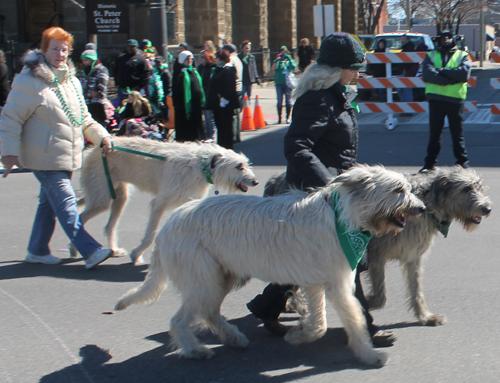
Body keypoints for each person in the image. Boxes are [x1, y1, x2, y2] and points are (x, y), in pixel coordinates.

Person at [246, 32, 396, 348]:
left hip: (337, 193)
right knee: (346, 261)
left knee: (307, 258)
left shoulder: (335, 95)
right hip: (319, 195)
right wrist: (330, 185)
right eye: (354, 67)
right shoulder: (319, 98)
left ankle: (267, 305)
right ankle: (363, 331)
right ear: (335, 69)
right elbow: (297, 147)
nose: (358, 73)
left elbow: (339, 150)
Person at [0, 27, 113, 269]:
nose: (60, 54)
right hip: (44, 157)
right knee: (66, 203)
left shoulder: (70, 81)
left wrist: (102, 136)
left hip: (65, 155)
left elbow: (83, 118)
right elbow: (10, 117)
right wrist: (8, 153)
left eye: (64, 49)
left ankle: (37, 250)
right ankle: (90, 250)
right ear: (43, 50)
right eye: (54, 49)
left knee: (48, 204)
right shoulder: (28, 81)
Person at [419, 30, 471, 173]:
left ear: (453, 39)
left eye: (449, 37)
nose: (446, 39)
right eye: (443, 37)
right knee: (435, 134)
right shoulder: (431, 55)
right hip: (436, 99)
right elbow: (428, 75)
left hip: (455, 99)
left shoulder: (463, 55)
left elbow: (464, 74)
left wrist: (441, 71)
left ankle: (462, 163)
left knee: (457, 134)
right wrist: (451, 79)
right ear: (438, 40)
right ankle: (429, 165)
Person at [206, 49, 239, 149]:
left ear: (221, 59)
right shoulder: (219, 69)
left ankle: (227, 147)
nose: (215, 60)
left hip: (225, 105)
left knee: (226, 128)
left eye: (217, 58)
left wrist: (224, 100)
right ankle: (221, 146)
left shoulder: (229, 70)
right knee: (220, 128)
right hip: (217, 105)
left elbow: (230, 88)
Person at [172, 50, 205, 142]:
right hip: (183, 106)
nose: (190, 61)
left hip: (195, 104)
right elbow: (177, 90)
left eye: (191, 59)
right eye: (187, 59)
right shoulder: (179, 73)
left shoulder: (193, 71)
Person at [79, 48, 109, 126]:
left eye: (86, 60)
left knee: (100, 127)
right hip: (86, 104)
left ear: (92, 60)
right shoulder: (84, 72)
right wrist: (89, 92)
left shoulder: (102, 70)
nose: (83, 62)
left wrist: (88, 91)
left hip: (98, 106)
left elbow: (101, 89)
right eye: (83, 60)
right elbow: (80, 87)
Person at [222, 44, 243, 143]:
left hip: (234, 88)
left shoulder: (231, 59)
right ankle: (237, 135)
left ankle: (233, 136)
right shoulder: (238, 59)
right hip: (239, 87)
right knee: (237, 113)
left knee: (233, 114)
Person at [271, 46, 296, 124]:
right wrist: (276, 60)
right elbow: (272, 69)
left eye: (284, 52)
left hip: (287, 84)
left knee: (288, 101)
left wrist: (288, 58)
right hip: (279, 83)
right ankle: (279, 118)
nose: (283, 54)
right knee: (279, 101)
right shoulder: (278, 61)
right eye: (281, 52)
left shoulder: (289, 61)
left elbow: (294, 66)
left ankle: (288, 118)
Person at [197, 50, 217, 142]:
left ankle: (211, 135)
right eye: (200, 57)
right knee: (205, 116)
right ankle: (206, 134)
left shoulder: (212, 68)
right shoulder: (200, 68)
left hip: (209, 94)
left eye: (202, 57)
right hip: (201, 94)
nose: (200, 59)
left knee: (209, 116)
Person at [397, 34, 418, 104]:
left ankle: (408, 109)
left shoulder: (409, 48)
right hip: (405, 71)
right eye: (401, 39)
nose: (401, 41)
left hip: (407, 71)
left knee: (405, 89)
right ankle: (406, 108)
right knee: (403, 89)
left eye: (403, 39)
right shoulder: (407, 47)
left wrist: (405, 69)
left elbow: (409, 61)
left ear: (407, 40)